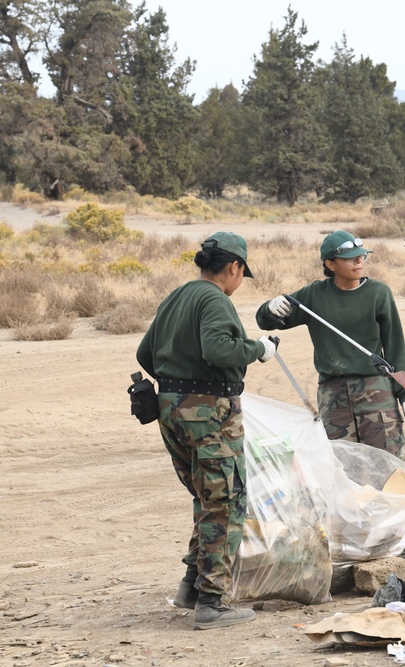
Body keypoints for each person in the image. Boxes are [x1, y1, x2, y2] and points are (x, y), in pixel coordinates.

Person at [136, 231, 276, 630]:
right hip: (209, 412)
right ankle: (213, 603)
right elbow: (219, 349)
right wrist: (257, 349)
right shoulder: (214, 299)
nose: (237, 283)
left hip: (171, 409)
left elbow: (144, 353)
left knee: (206, 497)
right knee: (226, 502)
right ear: (234, 267)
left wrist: (177, 374)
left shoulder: (178, 296)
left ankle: (191, 587)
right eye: (240, 275)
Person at [256, 230, 405, 459]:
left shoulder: (378, 293)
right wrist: (269, 308)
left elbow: (395, 348)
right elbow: (266, 322)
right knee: (342, 467)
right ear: (330, 264)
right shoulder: (314, 295)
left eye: (361, 256)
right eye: (350, 258)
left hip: (376, 391)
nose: (359, 261)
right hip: (333, 396)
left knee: (387, 464)